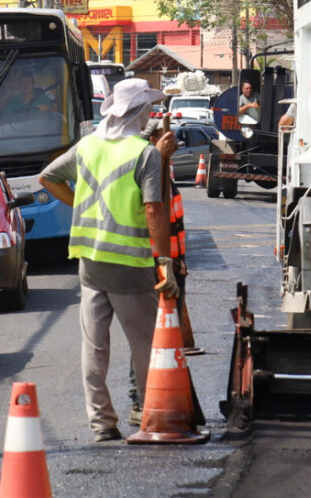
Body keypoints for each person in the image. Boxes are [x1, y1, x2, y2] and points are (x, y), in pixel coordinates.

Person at [39, 78, 179, 443]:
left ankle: (102, 423)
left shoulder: (87, 145)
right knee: (145, 345)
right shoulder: (145, 154)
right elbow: (154, 209)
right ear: (139, 112)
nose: (151, 114)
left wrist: (81, 205)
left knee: (94, 347)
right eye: (148, 108)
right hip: (130, 266)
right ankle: (150, 414)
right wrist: (165, 261)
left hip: (90, 264)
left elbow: (48, 177)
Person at [127, 116, 202, 426]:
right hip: (155, 266)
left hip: (170, 265)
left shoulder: (163, 168)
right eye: (162, 135)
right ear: (150, 140)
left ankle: (160, 395)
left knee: (165, 335)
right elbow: (153, 211)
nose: (170, 139)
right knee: (151, 334)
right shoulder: (149, 169)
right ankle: (140, 399)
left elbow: (172, 220)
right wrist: (165, 263)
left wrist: (179, 261)